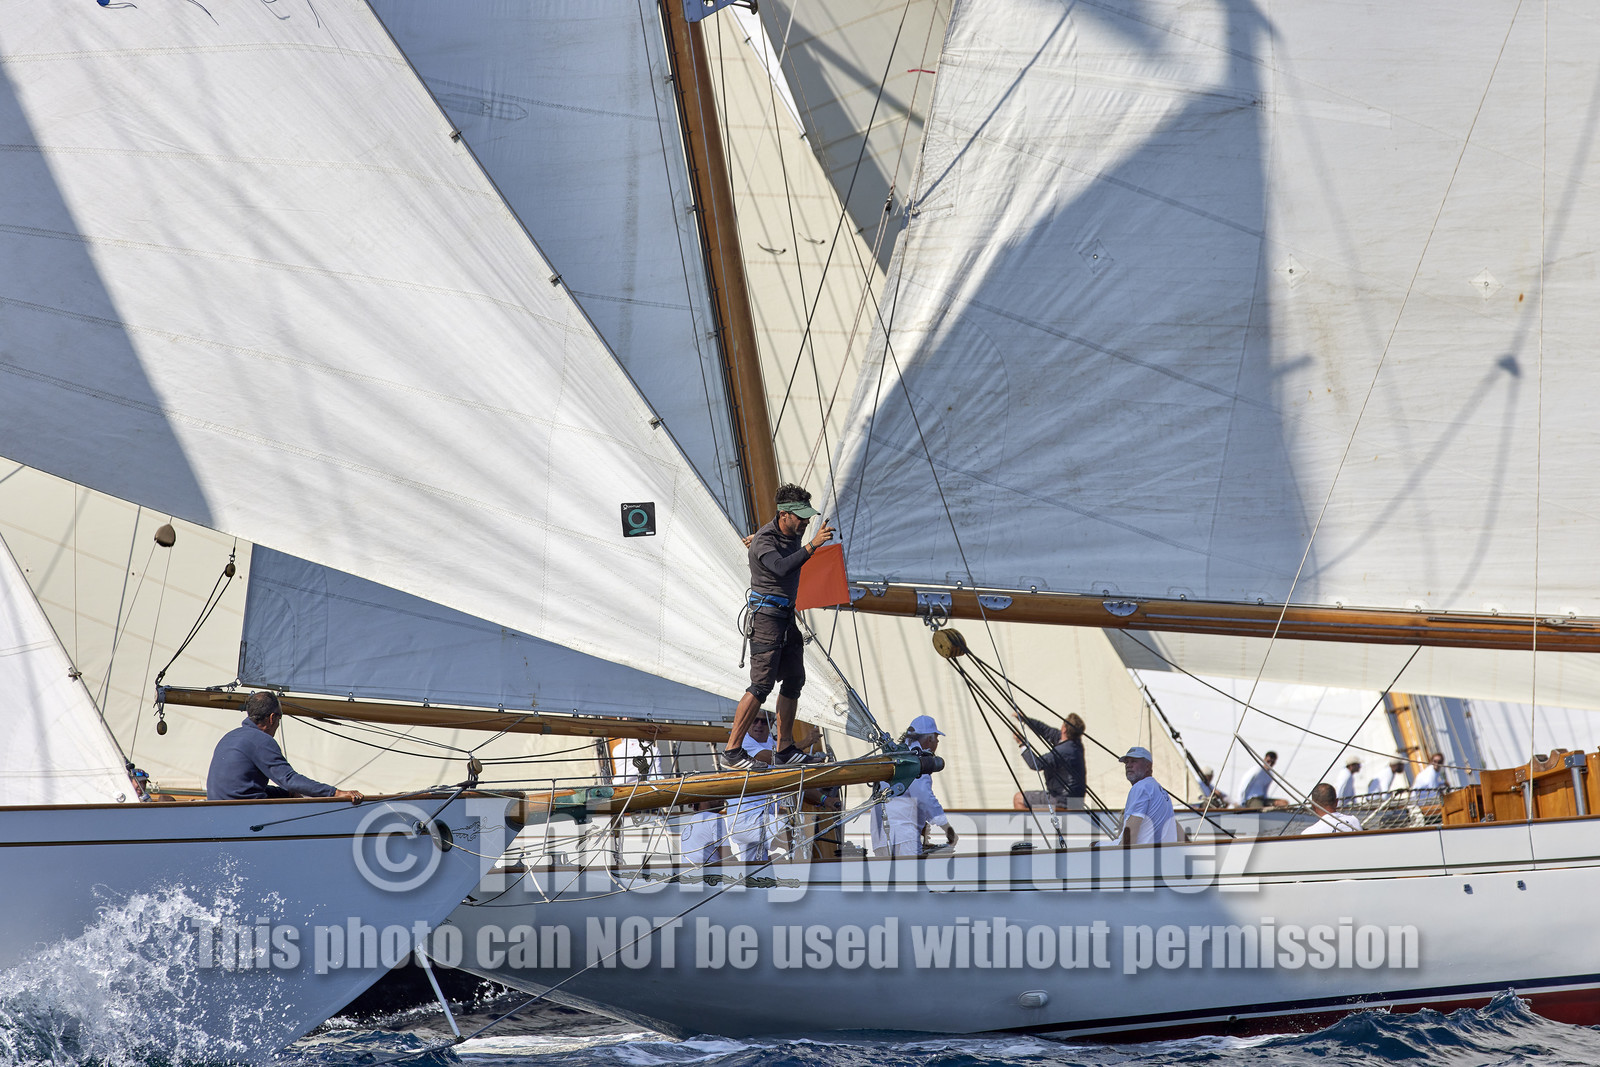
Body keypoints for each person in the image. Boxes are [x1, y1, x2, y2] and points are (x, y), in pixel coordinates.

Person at [722, 484, 834, 769]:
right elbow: (781, 567)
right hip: (766, 620)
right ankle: (732, 752)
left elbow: (783, 542)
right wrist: (813, 545)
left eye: (807, 516)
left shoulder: (791, 532)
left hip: (785, 618)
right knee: (761, 686)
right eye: (801, 517)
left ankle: (784, 748)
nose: (806, 522)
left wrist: (764, 537)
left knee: (795, 679)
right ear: (784, 515)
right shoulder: (765, 541)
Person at [206, 691, 362, 801]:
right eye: (280, 719)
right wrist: (335, 793)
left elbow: (241, 789)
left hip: (220, 812)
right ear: (272, 718)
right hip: (243, 815)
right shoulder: (261, 740)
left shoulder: (229, 736)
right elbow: (289, 779)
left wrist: (286, 793)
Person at [872, 715, 956, 855]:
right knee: (910, 870)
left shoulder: (894, 756)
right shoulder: (918, 761)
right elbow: (924, 797)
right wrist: (947, 829)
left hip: (880, 840)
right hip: (903, 837)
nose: (937, 743)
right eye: (937, 738)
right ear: (929, 739)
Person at [727, 711, 779, 861]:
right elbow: (770, 757)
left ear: (771, 722)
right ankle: (803, 872)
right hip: (748, 818)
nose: (759, 725)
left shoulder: (773, 744)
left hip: (759, 817)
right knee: (790, 836)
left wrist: (824, 799)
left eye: (764, 721)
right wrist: (804, 744)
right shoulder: (741, 742)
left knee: (754, 866)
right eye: (755, 720)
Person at [1010, 713, 1086, 811]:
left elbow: (1035, 764)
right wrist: (1026, 720)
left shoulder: (1063, 751)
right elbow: (1046, 731)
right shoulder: (1076, 745)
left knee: (1018, 799)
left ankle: (1036, 820)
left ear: (1064, 729)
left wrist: (1021, 743)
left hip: (1062, 800)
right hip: (1076, 800)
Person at [1115, 746, 1177, 846]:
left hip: (1143, 852)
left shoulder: (1141, 787)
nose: (1128, 765)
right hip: (1161, 851)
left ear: (1148, 766)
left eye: (1134, 761)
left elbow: (1130, 836)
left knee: (1093, 846)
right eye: (1126, 762)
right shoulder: (1161, 791)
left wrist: (1119, 853)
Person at [678, 799, 728, 866]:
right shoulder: (714, 818)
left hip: (688, 870)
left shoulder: (689, 824)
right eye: (715, 794)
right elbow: (726, 856)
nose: (722, 798)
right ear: (702, 799)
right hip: (710, 869)